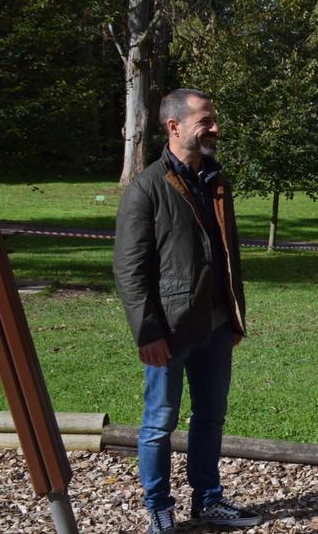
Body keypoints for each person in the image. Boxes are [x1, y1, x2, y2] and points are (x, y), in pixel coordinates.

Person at [113, 89, 260, 534]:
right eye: (205, 120)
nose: (214, 127)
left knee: (210, 417)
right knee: (159, 422)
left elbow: (228, 251)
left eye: (213, 119)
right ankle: (158, 505)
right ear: (173, 126)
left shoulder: (216, 178)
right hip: (170, 330)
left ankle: (208, 500)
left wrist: (233, 315)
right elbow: (129, 269)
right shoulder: (146, 187)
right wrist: (147, 332)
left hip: (215, 324)